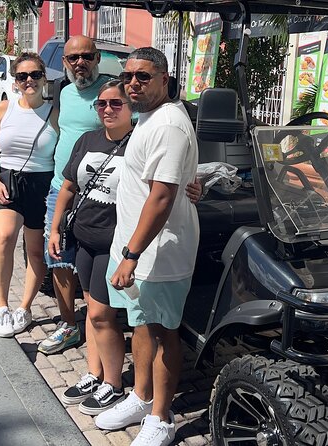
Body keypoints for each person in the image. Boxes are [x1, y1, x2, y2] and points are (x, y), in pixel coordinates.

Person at [47, 81, 202, 416]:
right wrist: (56, 226)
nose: (107, 109)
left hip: (119, 243)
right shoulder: (90, 139)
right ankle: (96, 373)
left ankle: (116, 384)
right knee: (95, 311)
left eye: (115, 104)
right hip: (90, 237)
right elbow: (69, 185)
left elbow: (167, 183)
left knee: (111, 315)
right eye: (101, 104)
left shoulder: (149, 130)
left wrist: (194, 185)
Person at [95, 48, 199, 446]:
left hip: (159, 254)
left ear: (164, 79)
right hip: (138, 250)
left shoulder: (168, 123)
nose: (133, 83)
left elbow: (161, 197)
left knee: (163, 332)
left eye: (143, 76)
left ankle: (161, 416)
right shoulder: (148, 118)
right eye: (128, 77)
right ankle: (141, 395)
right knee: (140, 324)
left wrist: (131, 256)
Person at [38, 35, 114, 355]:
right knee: (58, 257)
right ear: (65, 63)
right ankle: (69, 325)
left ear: (97, 58)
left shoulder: (113, 94)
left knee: (95, 259)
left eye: (87, 56)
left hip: (99, 193)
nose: (80, 62)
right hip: (61, 187)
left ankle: (100, 322)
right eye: (73, 58)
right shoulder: (65, 93)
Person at [0, 52, 58, 338]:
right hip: (8, 181)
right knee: (4, 237)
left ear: (44, 79)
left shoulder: (54, 113)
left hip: (42, 186)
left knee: (35, 251)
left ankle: (24, 308)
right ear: (15, 81)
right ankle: (1, 306)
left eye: (35, 75)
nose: (29, 81)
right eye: (22, 76)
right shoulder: (4, 108)